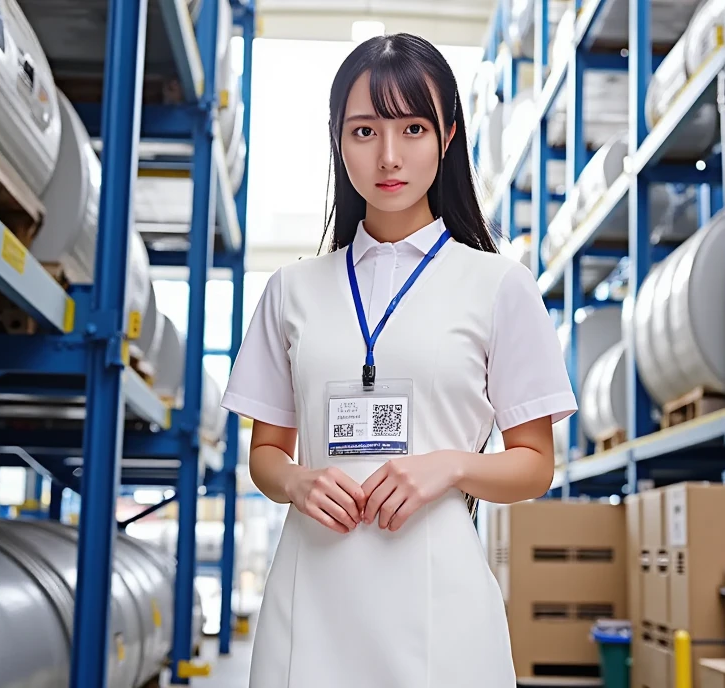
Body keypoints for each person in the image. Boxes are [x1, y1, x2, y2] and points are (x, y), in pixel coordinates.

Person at [220, 32, 577, 688]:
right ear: (337, 139)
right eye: (364, 131)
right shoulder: (290, 291)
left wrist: (449, 466)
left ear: (447, 137)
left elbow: (535, 467)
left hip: (441, 604)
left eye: (412, 127)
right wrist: (299, 482)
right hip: (311, 597)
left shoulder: (499, 285)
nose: (389, 155)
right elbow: (266, 455)